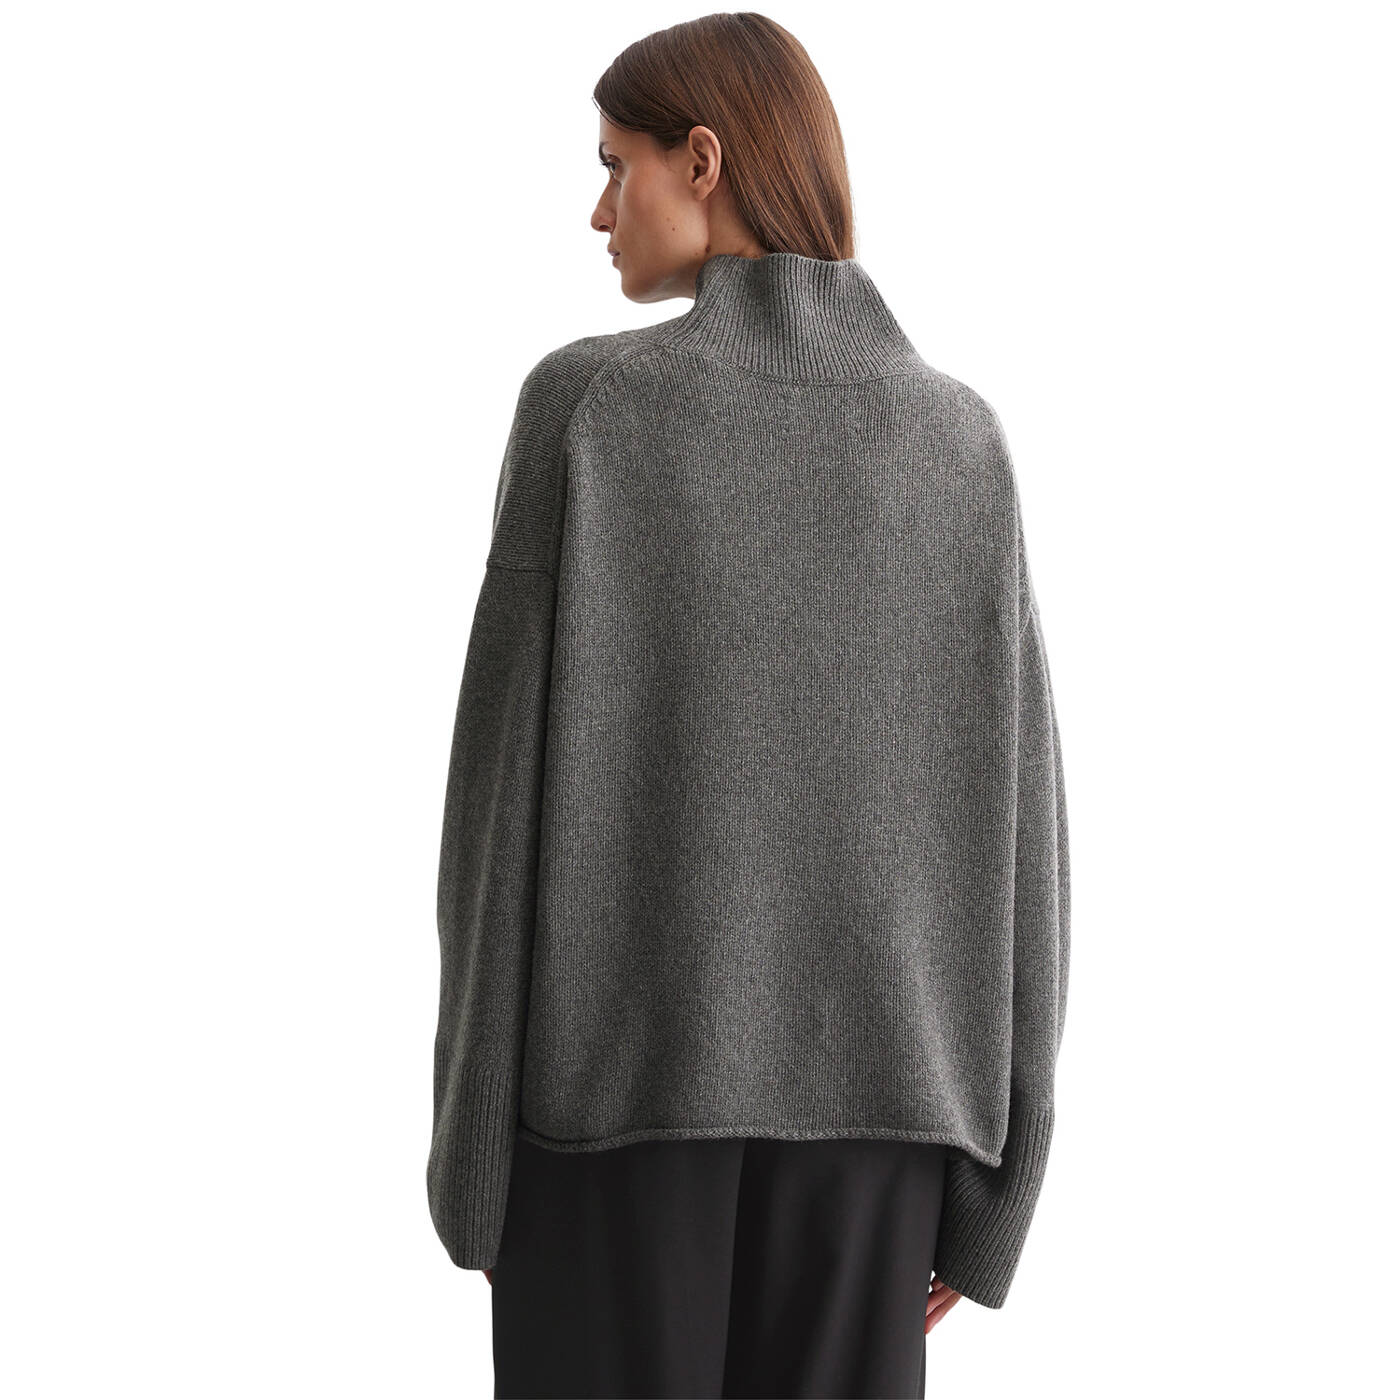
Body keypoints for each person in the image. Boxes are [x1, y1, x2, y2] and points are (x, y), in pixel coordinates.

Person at [427, 13, 1071, 1399]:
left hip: (609, 1136)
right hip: (883, 1153)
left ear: (704, 161)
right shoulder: (959, 441)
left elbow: (495, 818)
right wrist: (998, 1191)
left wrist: (470, 1167)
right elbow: (1027, 843)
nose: (599, 210)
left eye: (618, 165)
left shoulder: (588, 410)